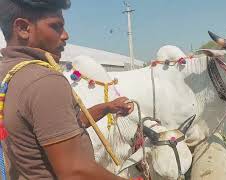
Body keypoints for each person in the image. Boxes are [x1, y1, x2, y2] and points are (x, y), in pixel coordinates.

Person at [0, 0, 134, 179]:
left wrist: (106, 107)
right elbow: (75, 171)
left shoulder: (8, 72)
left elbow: (59, 128)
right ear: (23, 28)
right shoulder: (44, 81)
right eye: (55, 26)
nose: (65, 35)